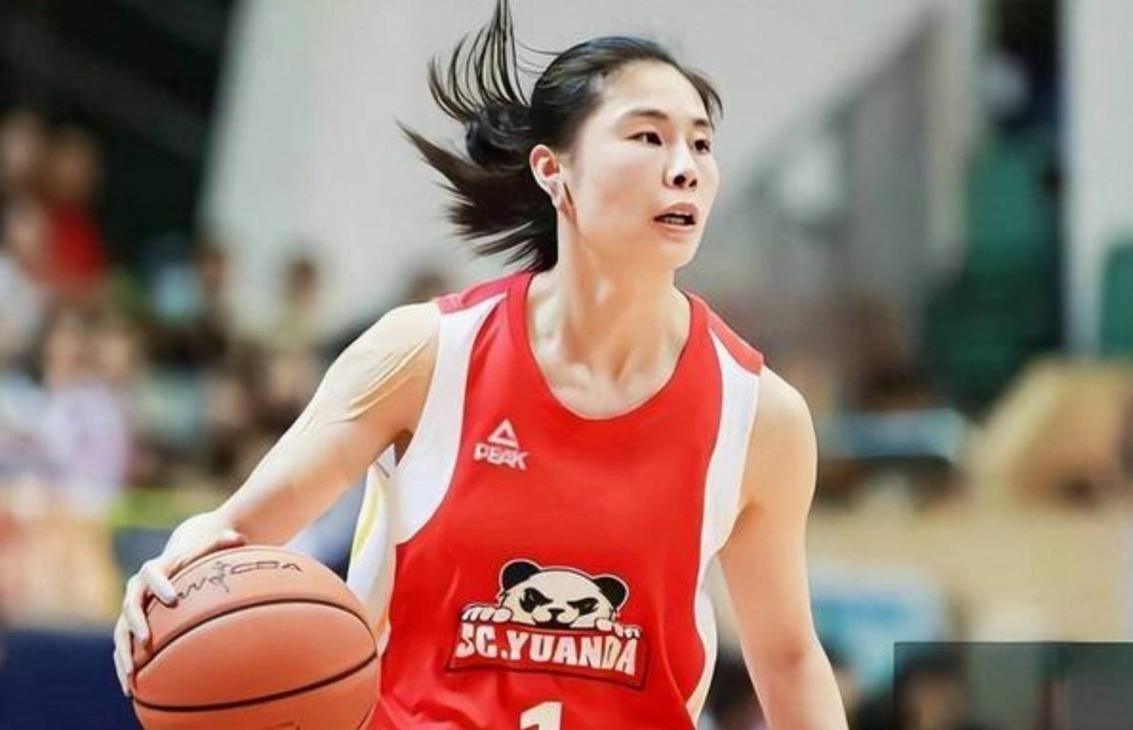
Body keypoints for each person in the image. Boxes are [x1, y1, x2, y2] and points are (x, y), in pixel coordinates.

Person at [112, 2, 848, 727]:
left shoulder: (760, 416)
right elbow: (238, 529)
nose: (684, 169)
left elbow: (787, 659)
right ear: (553, 170)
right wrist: (174, 576)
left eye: (702, 144)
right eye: (648, 137)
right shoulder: (424, 355)